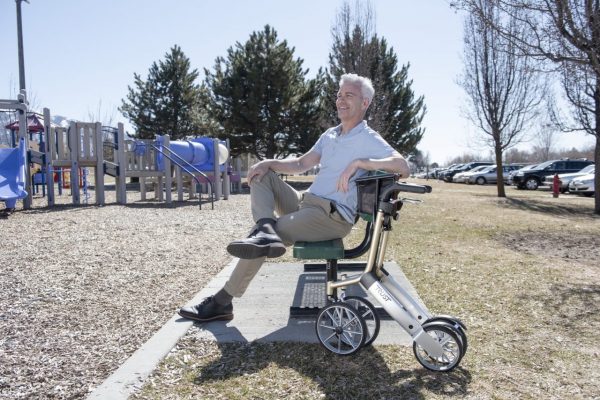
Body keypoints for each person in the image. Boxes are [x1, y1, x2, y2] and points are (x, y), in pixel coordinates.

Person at [178, 73, 411, 322]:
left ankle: (221, 302)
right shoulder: (331, 135)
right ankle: (265, 228)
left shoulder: (368, 139)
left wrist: (361, 162)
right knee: (262, 175)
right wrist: (269, 162)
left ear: (364, 103)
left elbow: (403, 166)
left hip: (330, 217)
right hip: (306, 203)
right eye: (339, 95)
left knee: (260, 240)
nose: (341, 100)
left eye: (349, 95)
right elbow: (301, 163)